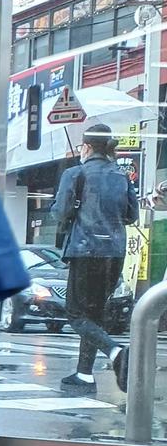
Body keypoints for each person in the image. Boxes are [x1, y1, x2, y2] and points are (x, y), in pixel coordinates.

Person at [52, 122, 138, 393]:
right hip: (115, 253)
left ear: (87, 147)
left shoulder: (75, 173)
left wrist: (63, 207)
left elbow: (61, 212)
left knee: (76, 314)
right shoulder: (121, 176)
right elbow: (131, 215)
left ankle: (116, 352)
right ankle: (84, 374)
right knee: (95, 313)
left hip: (85, 251)